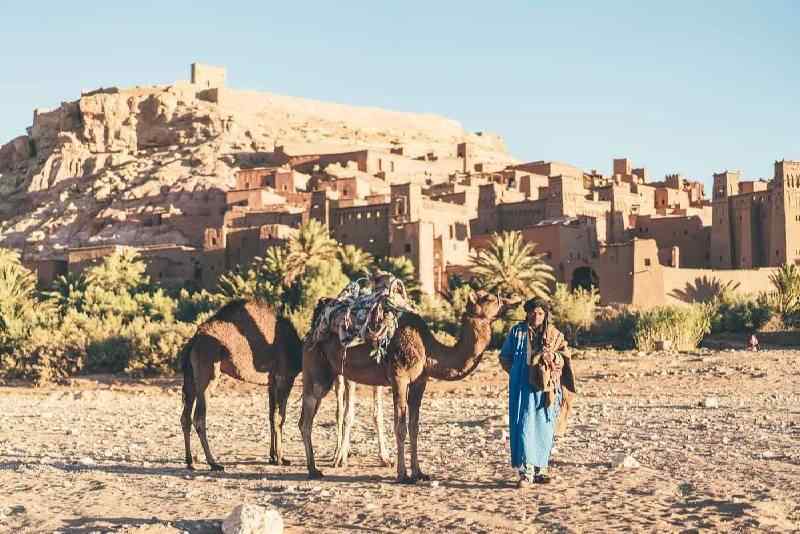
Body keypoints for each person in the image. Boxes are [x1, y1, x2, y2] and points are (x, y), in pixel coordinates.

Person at [499, 298, 576, 488]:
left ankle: (541, 469)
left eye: (540, 313)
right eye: (533, 312)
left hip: (546, 390)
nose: (536, 316)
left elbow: (565, 357)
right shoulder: (517, 332)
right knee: (524, 425)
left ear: (546, 315)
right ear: (527, 313)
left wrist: (554, 359)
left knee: (544, 427)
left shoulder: (554, 334)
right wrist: (518, 372)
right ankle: (526, 472)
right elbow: (504, 357)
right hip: (522, 389)